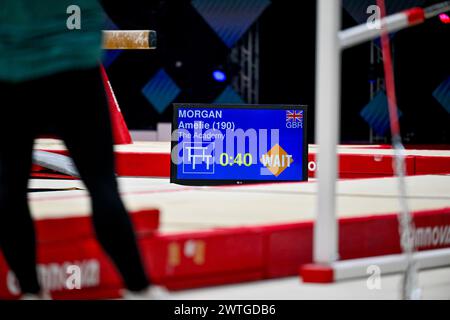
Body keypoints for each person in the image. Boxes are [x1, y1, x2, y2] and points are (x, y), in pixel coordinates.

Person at [0, 0, 162, 299]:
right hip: (74, 71)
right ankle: (140, 289)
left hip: (13, 71)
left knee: (10, 191)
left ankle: (30, 292)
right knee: (102, 185)